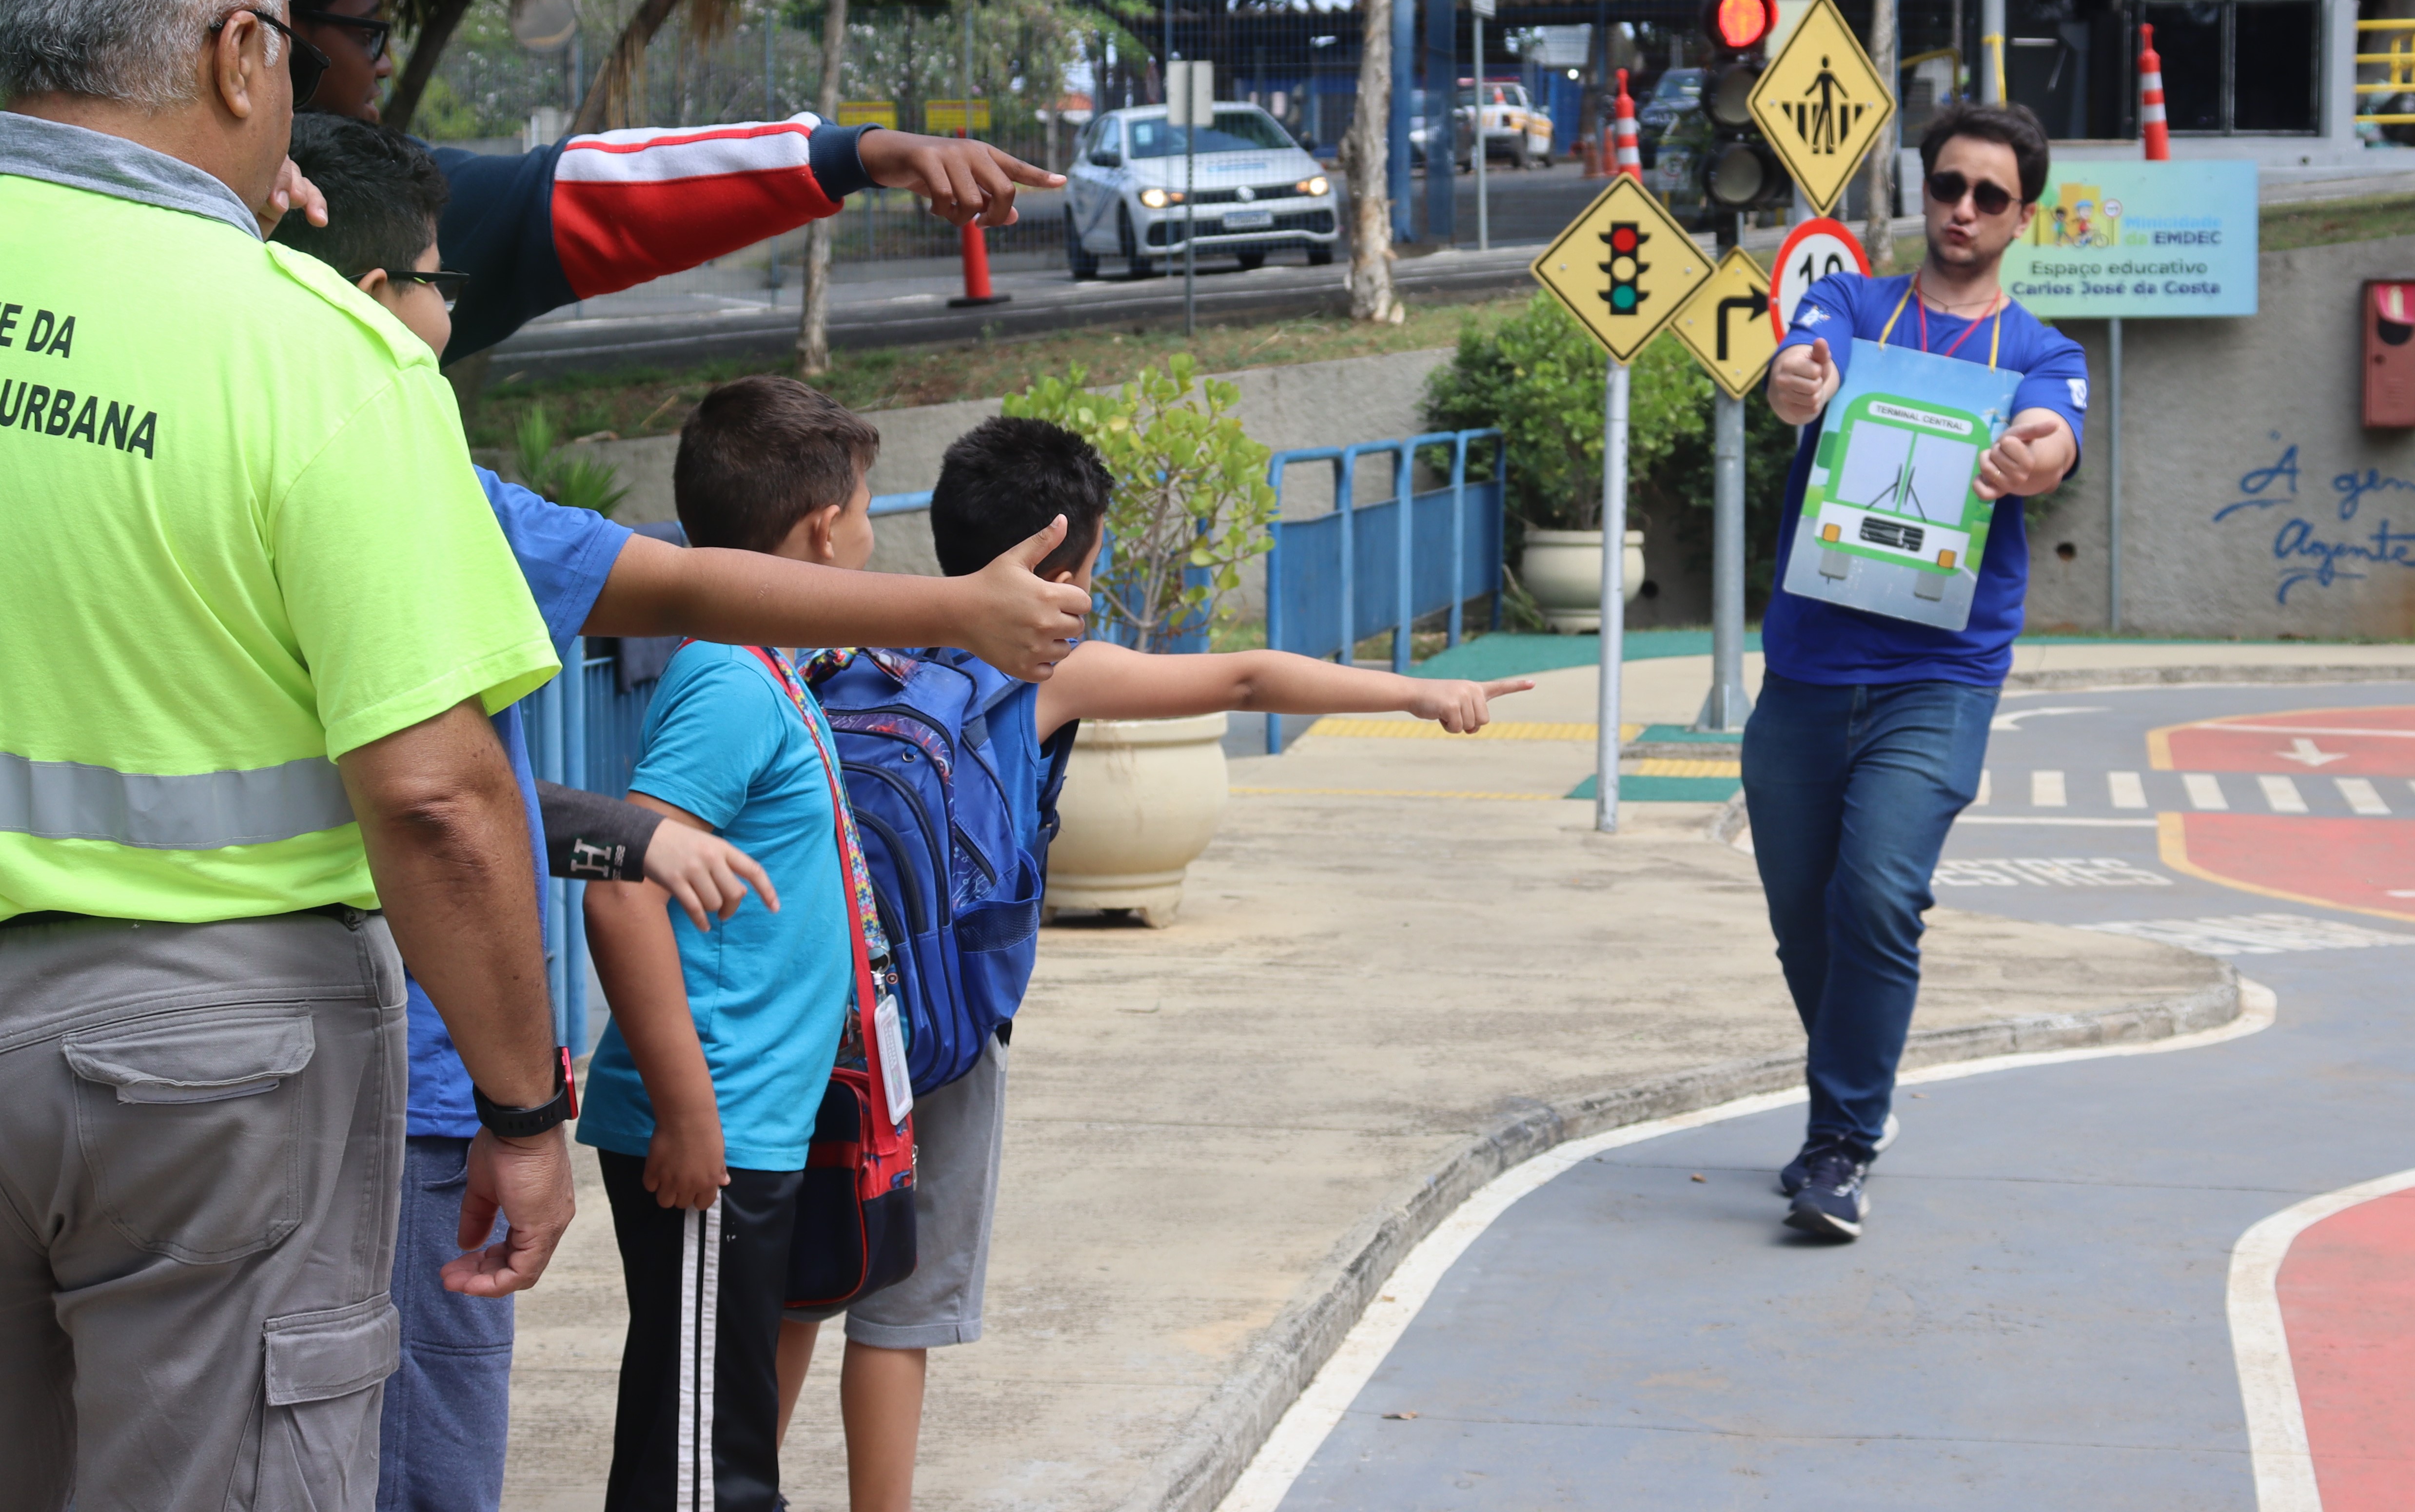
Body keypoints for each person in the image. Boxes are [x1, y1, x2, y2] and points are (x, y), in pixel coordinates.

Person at [271, 110, 1093, 1511]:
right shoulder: (437, 505)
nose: (446, 310)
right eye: (436, 281)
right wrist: (543, 1110)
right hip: (430, 1080)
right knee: (594, 1458)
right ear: (369, 308)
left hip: (245, 1058)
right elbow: (454, 790)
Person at [0, 0, 576, 1511]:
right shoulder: (311, 353)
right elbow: (437, 796)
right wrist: (525, 1112)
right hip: (206, 1072)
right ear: (243, 58)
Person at [774, 412, 1533, 1512]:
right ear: (1060, 563)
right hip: (939, 1037)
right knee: (903, 1309)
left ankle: (732, 1491)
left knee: (798, 1288)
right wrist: (1417, 694)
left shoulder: (846, 652)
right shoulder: (1045, 673)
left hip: (817, 1024)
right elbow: (1243, 681)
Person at [1748, 102, 2087, 1242]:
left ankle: (1840, 1140)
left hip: (1937, 677)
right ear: (1925, 189)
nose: (1962, 210)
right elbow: (1802, 364)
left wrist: (2033, 455)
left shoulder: (2041, 351)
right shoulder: (1851, 301)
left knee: (1876, 894)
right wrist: (1796, 384)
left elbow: (2053, 436)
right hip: (1805, 666)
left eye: (1989, 196)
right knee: (1806, 921)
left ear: (2020, 218)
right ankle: (1849, 1099)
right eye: (1948, 185)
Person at [256, 0, 1058, 369]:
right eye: (366, 35)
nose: (385, 65)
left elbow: (587, 194)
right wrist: (858, 154)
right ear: (268, 38)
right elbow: (590, 199)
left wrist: (860, 153)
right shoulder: (360, 211)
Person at [576, 378, 891, 1511]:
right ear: (820, 530)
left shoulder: (771, 665)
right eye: (864, 512)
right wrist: (688, 1111)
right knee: (708, 1463)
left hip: (753, 1113)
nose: (869, 535)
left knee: (709, 1433)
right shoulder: (728, 679)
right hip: (716, 1117)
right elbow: (622, 886)